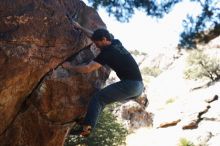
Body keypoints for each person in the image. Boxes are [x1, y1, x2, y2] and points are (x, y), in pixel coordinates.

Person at [62, 22, 144, 137]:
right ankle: (88, 121)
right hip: (138, 87)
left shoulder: (107, 53)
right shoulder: (116, 42)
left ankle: (85, 129)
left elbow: (88, 68)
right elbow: (94, 36)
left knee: (98, 98)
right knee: (102, 101)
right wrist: (80, 27)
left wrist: (69, 66)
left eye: (97, 43)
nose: (96, 45)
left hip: (130, 85)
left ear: (104, 39)